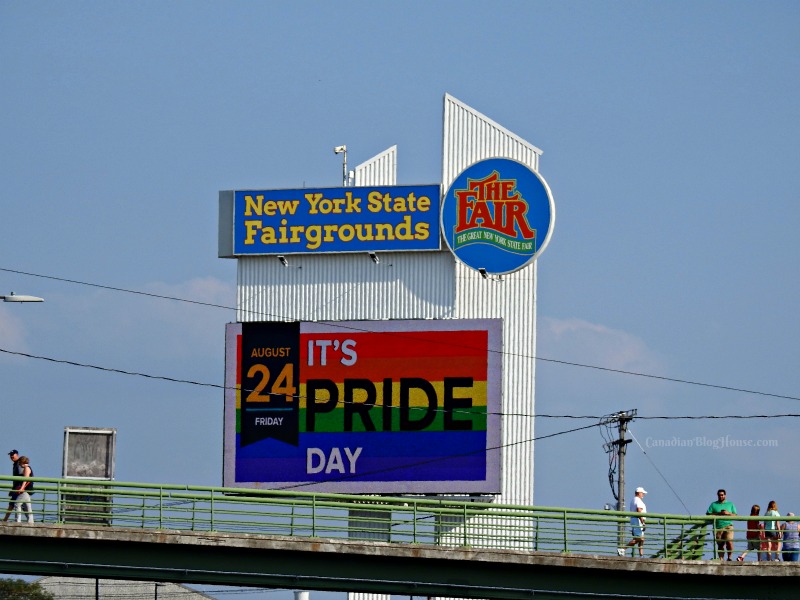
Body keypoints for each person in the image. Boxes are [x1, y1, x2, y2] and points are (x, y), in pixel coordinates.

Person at [707, 489, 737, 560]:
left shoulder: (730, 504)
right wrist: (719, 514)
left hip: (728, 525)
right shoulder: (713, 504)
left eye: (722, 495)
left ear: (725, 495)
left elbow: (735, 515)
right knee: (720, 544)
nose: (721, 496)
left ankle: (729, 557)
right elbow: (708, 514)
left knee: (729, 541)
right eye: (719, 495)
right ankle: (721, 559)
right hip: (718, 527)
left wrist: (728, 513)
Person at [623, 487, 647, 557]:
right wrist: (642, 521)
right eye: (642, 493)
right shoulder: (638, 500)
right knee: (639, 539)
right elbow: (639, 510)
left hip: (635, 520)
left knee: (641, 540)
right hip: (637, 521)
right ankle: (623, 549)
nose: (643, 495)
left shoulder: (633, 500)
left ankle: (641, 555)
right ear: (639, 493)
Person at [13, 455, 34, 524]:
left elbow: (25, 479)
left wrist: (22, 488)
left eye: (19, 463)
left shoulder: (26, 468)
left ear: (22, 462)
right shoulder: (28, 468)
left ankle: (17, 521)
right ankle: (31, 522)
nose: (19, 464)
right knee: (27, 506)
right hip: (28, 490)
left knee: (17, 504)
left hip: (25, 490)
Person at [1, 450, 22, 523]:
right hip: (17, 488)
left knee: (15, 504)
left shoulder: (19, 463)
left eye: (13, 454)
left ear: (17, 455)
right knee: (14, 504)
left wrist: (20, 487)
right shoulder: (16, 464)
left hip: (19, 488)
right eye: (10, 455)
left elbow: (21, 476)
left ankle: (7, 520)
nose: (11, 456)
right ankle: (5, 519)